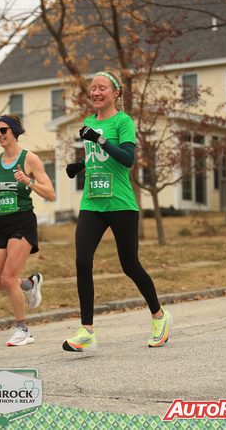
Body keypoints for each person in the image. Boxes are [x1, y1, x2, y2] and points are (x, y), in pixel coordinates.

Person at [63, 71, 173, 352]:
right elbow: (98, 158)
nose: (96, 92)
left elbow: (126, 159)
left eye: (102, 88)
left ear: (116, 93)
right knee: (81, 260)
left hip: (121, 203)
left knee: (129, 265)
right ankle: (87, 330)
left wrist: (99, 140)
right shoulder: (89, 122)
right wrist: (80, 165)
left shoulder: (124, 121)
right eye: (93, 88)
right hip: (92, 202)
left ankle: (159, 317)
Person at [0, 114, 56, 346]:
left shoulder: (29, 159)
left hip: (22, 222)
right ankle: (30, 284)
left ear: (14, 132)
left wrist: (28, 181)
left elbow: (51, 194)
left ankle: (22, 329)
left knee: (9, 276)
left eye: (3, 130)